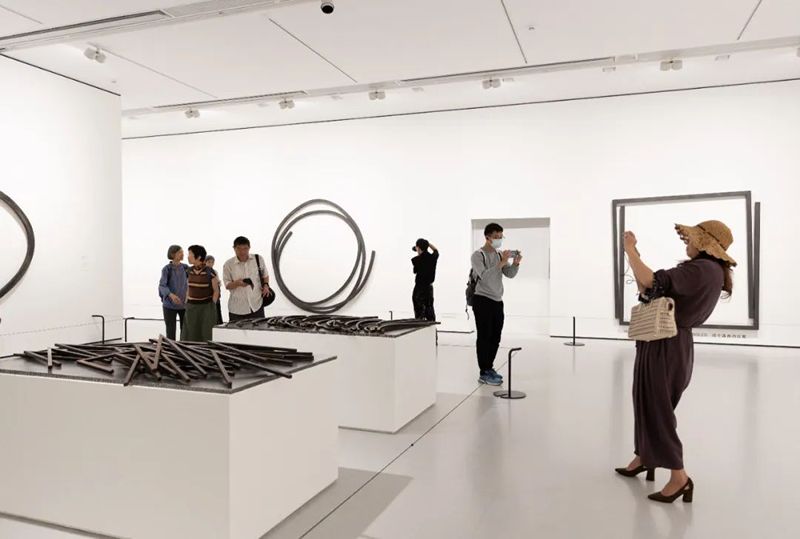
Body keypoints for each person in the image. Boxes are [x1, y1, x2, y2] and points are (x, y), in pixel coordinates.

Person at [616, 220, 736, 504]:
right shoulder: (710, 270)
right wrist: (635, 255)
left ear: (705, 243)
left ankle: (679, 476)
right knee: (646, 402)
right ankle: (644, 457)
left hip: (666, 344)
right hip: (666, 341)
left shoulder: (700, 269)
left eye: (691, 239)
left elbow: (651, 282)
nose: (687, 242)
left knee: (657, 409)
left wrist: (630, 250)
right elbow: (652, 288)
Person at [470, 223, 522, 386]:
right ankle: (484, 371)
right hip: (482, 299)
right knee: (484, 336)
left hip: (497, 300)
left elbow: (509, 274)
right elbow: (485, 276)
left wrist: (515, 263)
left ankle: (489, 367)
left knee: (495, 337)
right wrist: (501, 263)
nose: (499, 240)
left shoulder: (500, 255)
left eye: (501, 237)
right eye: (496, 237)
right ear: (487, 237)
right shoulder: (478, 255)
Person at [222, 236, 271, 322]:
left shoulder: (258, 259)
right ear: (234, 248)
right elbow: (227, 285)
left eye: (245, 248)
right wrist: (237, 283)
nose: (242, 251)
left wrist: (266, 285)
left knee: (259, 330)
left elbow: (265, 276)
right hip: (237, 309)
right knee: (236, 331)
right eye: (239, 248)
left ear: (249, 248)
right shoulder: (228, 264)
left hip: (256, 306)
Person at [181, 245, 220, 342]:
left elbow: (216, 291)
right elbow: (188, 288)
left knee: (206, 334)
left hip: (206, 308)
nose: (188, 256)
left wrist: (212, 305)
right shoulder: (189, 271)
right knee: (190, 335)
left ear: (198, 257)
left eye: (190, 254)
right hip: (191, 308)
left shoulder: (210, 272)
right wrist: (186, 302)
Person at [158, 245, 188, 340]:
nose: (183, 254)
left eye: (182, 252)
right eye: (180, 252)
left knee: (185, 332)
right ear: (172, 254)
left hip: (184, 305)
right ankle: (171, 348)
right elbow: (162, 285)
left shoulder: (185, 268)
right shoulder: (167, 269)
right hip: (169, 306)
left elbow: (191, 283)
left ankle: (183, 349)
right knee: (170, 333)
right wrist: (171, 295)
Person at [411, 238, 439, 321]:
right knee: (429, 307)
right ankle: (431, 324)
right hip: (429, 287)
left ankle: (420, 322)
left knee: (419, 308)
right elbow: (436, 250)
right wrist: (428, 244)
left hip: (419, 287)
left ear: (418, 248)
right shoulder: (433, 258)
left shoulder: (416, 260)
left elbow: (415, 271)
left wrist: (419, 252)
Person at [206, 255, 224, 326]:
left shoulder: (215, 272)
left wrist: (218, 282)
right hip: (207, 296)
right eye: (209, 262)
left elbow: (218, 283)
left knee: (217, 313)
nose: (210, 264)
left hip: (216, 295)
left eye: (212, 262)